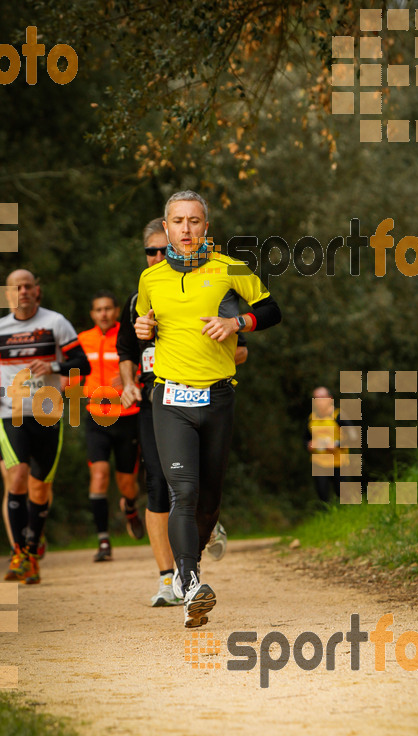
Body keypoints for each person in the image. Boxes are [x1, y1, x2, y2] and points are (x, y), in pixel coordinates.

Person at [135, 190, 281, 627]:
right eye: (177, 221)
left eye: (194, 221)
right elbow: (144, 322)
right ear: (166, 228)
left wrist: (238, 322)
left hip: (217, 397)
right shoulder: (151, 279)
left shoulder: (228, 268)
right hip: (171, 396)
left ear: (206, 228)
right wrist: (144, 326)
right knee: (184, 491)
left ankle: (189, 566)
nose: (185, 229)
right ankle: (191, 582)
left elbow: (272, 310)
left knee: (210, 501)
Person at [118, 217, 249, 606]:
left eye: (164, 249)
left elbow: (239, 345)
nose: (158, 256)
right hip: (156, 399)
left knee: (201, 493)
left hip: (207, 394)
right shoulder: (142, 294)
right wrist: (127, 383)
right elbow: (126, 349)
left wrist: (227, 345)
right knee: (163, 486)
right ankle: (170, 577)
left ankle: (193, 545)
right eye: (151, 251)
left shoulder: (211, 285)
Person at [0, 269, 90, 584]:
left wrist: (53, 365)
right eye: (16, 287)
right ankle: (20, 554)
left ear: (37, 291)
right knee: (18, 475)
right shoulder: (1, 329)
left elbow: (83, 364)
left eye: (28, 286)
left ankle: (33, 549)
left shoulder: (55, 323)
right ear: (7, 294)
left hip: (48, 412)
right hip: (10, 413)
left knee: (40, 488)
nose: (22, 291)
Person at [78, 292, 145, 563]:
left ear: (116, 311)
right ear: (92, 314)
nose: (103, 313)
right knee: (99, 475)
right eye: (98, 310)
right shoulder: (83, 340)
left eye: (108, 308)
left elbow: (145, 365)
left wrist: (131, 379)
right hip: (96, 417)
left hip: (128, 416)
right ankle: (103, 540)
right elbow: (74, 371)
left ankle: (130, 507)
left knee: (127, 483)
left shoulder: (128, 335)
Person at [305, 386, 349, 503]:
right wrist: (308, 445)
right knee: (322, 495)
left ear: (330, 399)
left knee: (342, 494)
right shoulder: (311, 418)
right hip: (319, 462)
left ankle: (346, 513)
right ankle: (326, 514)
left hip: (338, 462)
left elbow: (354, 438)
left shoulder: (339, 416)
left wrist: (336, 444)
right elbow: (306, 439)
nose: (319, 401)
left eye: (322, 397)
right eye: (316, 398)